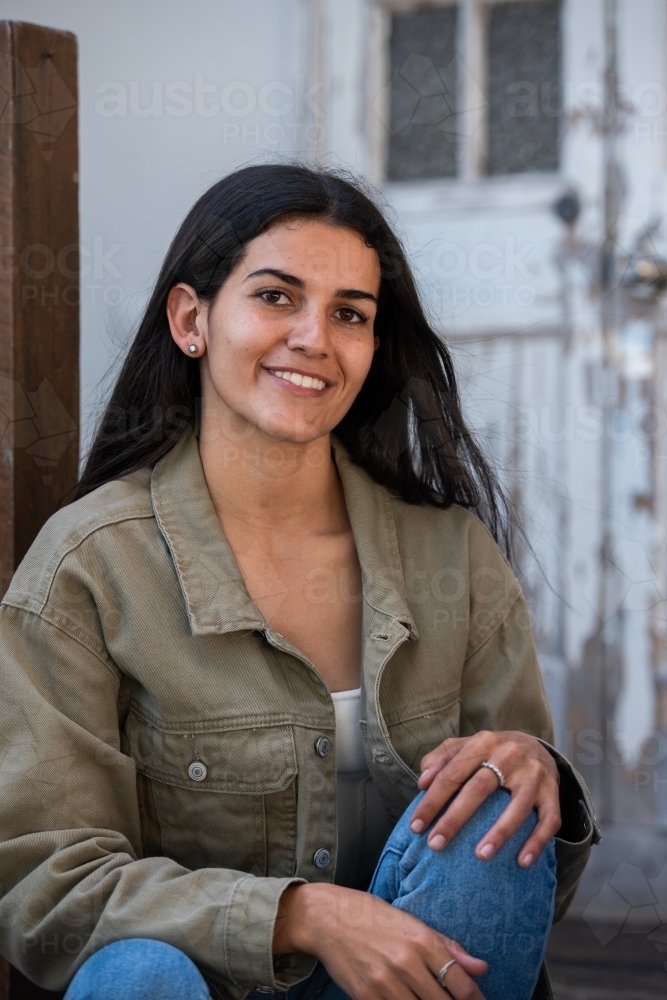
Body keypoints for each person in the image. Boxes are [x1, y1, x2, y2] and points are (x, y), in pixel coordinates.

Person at [0, 165, 598, 1000]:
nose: (315, 336)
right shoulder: (89, 568)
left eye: (349, 313)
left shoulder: (451, 556)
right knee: (139, 974)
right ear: (190, 319)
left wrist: (535, 770)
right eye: (277, 297)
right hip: (204, 985)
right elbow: (46, 891)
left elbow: (521, 895)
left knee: (493, 813)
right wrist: (300, 916)